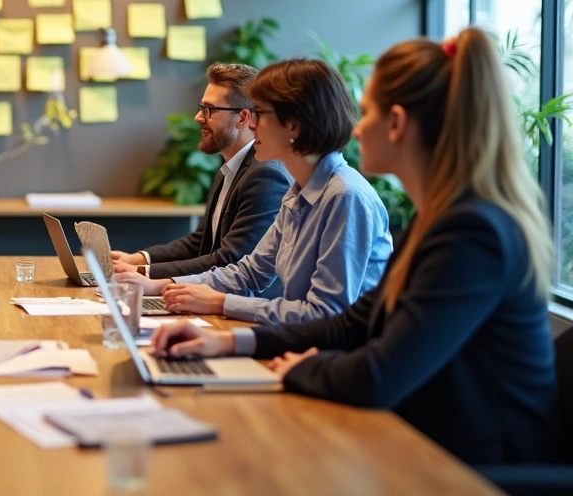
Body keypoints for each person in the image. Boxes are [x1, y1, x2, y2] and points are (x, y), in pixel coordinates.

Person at [150, 29, 561, 465]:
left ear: (398, 123)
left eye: (367, 113)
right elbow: (350, 324)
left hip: (476, 470)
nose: (356, 128)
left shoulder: (471, 233)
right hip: (432, 441)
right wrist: (228, 345)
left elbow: (379, 374)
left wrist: (296, 368)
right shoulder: (439, 218)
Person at [117, 58, 393, 324]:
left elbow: (324, 314)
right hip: (298, 341)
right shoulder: (298, 191)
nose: (251, 124)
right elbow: (249, 271)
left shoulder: (345, 197)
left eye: (259, 114)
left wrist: (220, 303)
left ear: (293, 126)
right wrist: (165, 286)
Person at [111, 63, 291, 281]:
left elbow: (230, 260)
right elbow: (200, 242)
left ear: (242, 118)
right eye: (201, 107)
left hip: (245, 309)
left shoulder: (265, 176)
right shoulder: (228, 169)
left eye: (210, 109)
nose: (198, 117)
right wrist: (137, 259)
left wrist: (143, 273)